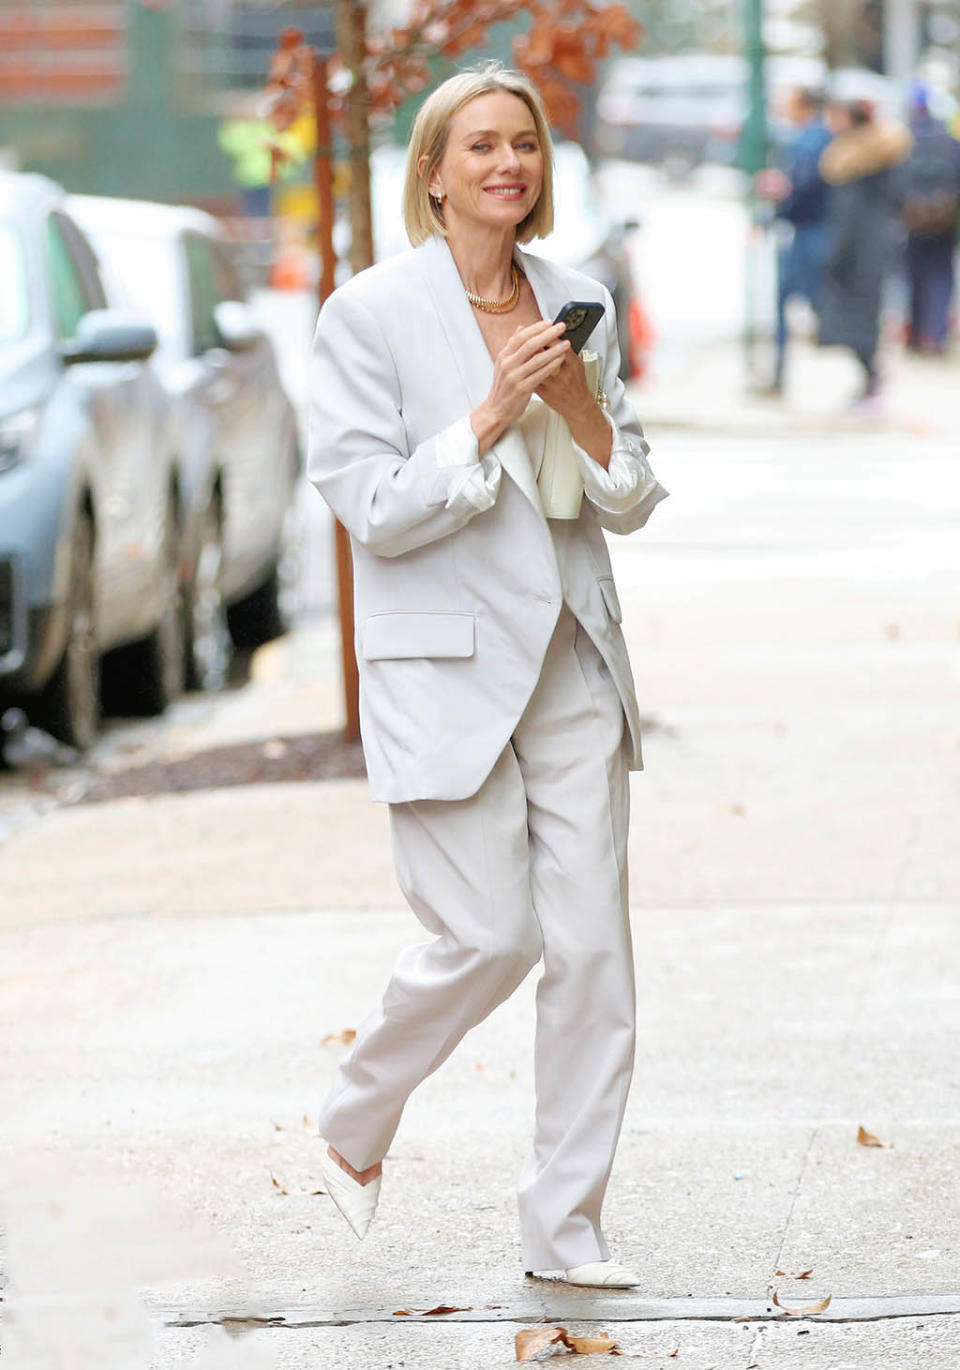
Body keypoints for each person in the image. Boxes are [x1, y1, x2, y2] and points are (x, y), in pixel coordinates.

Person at [307, 64, 668, 1288]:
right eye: (480, 146)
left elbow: (629, 495)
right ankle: (359, 1104)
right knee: (493, 935)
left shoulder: (580, 297)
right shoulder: (367, 315)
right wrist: (487, 416)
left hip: (570, 655)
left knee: (593, 957)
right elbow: (370, 508)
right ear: (434, 170)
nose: (507, 163)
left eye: (524, 144)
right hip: (447, 667)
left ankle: (566, 1229)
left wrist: (578, 405)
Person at [817, 99, 912, 407]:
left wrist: (836, 256)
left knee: (859, 316)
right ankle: (870, 379)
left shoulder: (858, 162)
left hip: (861, 247)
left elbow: (851, 215)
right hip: (872, 244)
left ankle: (871, 381)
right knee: (864, 315)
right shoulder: (885, 154)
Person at [756, 87, 832, 393]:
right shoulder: (809, 139)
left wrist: (780, 191)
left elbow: (802, 186)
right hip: (806, 231)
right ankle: (778, 371)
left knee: (818, 302)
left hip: (811, 232)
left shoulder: (811, 141)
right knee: (793, 300)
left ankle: (866, 368)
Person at [900, 81, 960, 355]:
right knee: (939, 276)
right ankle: (934, 335)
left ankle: (916, 333)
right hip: (943, 221)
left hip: (914, 221)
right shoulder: (948, 141)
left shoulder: (905, 139)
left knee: (916, 276)